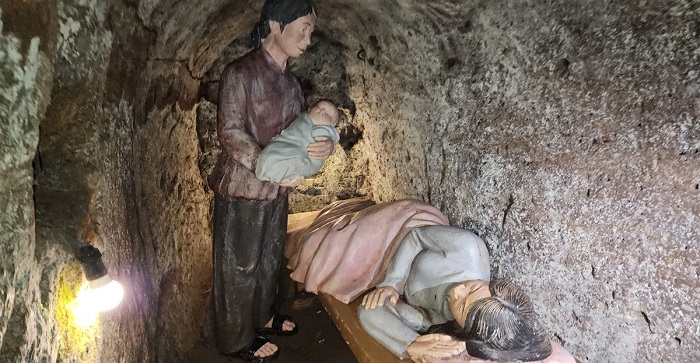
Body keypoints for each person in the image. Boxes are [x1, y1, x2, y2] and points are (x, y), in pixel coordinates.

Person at [203, 0, 334, 360]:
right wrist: (268, 165)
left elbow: (302, 133)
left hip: (278, 189)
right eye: (303, 28)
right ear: (276, 24)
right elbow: (230, 132)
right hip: (243, 187)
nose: (308, 38)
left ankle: (261, 318)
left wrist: (322, 147)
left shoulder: (292, 85)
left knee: (269, 257)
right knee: (239, 265)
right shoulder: (239, 74)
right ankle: (234, 337)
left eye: (311, 30)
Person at [285, 199, 553, 362]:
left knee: (313, 252)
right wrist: (391, 282)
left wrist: (409, 344)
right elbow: (416, 238)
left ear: (463, 327)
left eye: (461, 305)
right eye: (472, 288)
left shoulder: (435, 321)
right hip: (402, 234)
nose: (458, 290)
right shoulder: (468, 249)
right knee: (318, 245)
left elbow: (371, 312)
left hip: (378, 272)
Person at [255, 99, 340, 183]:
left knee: (292, 162)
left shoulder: (325, 130)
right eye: (319, 107)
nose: (322, 111)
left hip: (305, 158)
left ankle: (275, 176)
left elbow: (331, 138)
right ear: (310, 109)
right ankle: (266, 170)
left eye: (328, 113)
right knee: (272, 153)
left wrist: (332, 144)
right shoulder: (302, 117)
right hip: (286, 144)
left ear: (332, 124)